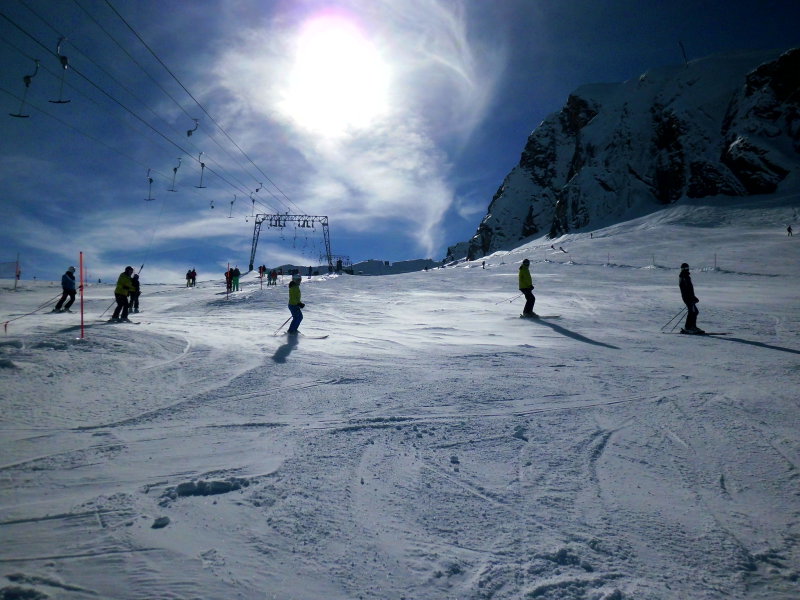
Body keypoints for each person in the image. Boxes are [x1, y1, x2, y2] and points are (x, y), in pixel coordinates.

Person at [679, 263, 704, 334]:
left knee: (694, 312)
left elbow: (689, 289)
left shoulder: (686, 276)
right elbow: (686, 289)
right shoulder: (684, 277)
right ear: (683, 269)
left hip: (689, 297)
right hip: (687, 298)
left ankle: (692, 326)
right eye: (686, 268)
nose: (687, 269)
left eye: (687, 268)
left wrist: (693, 297)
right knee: (692, 312)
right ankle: (689, 327)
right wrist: (691, 298)